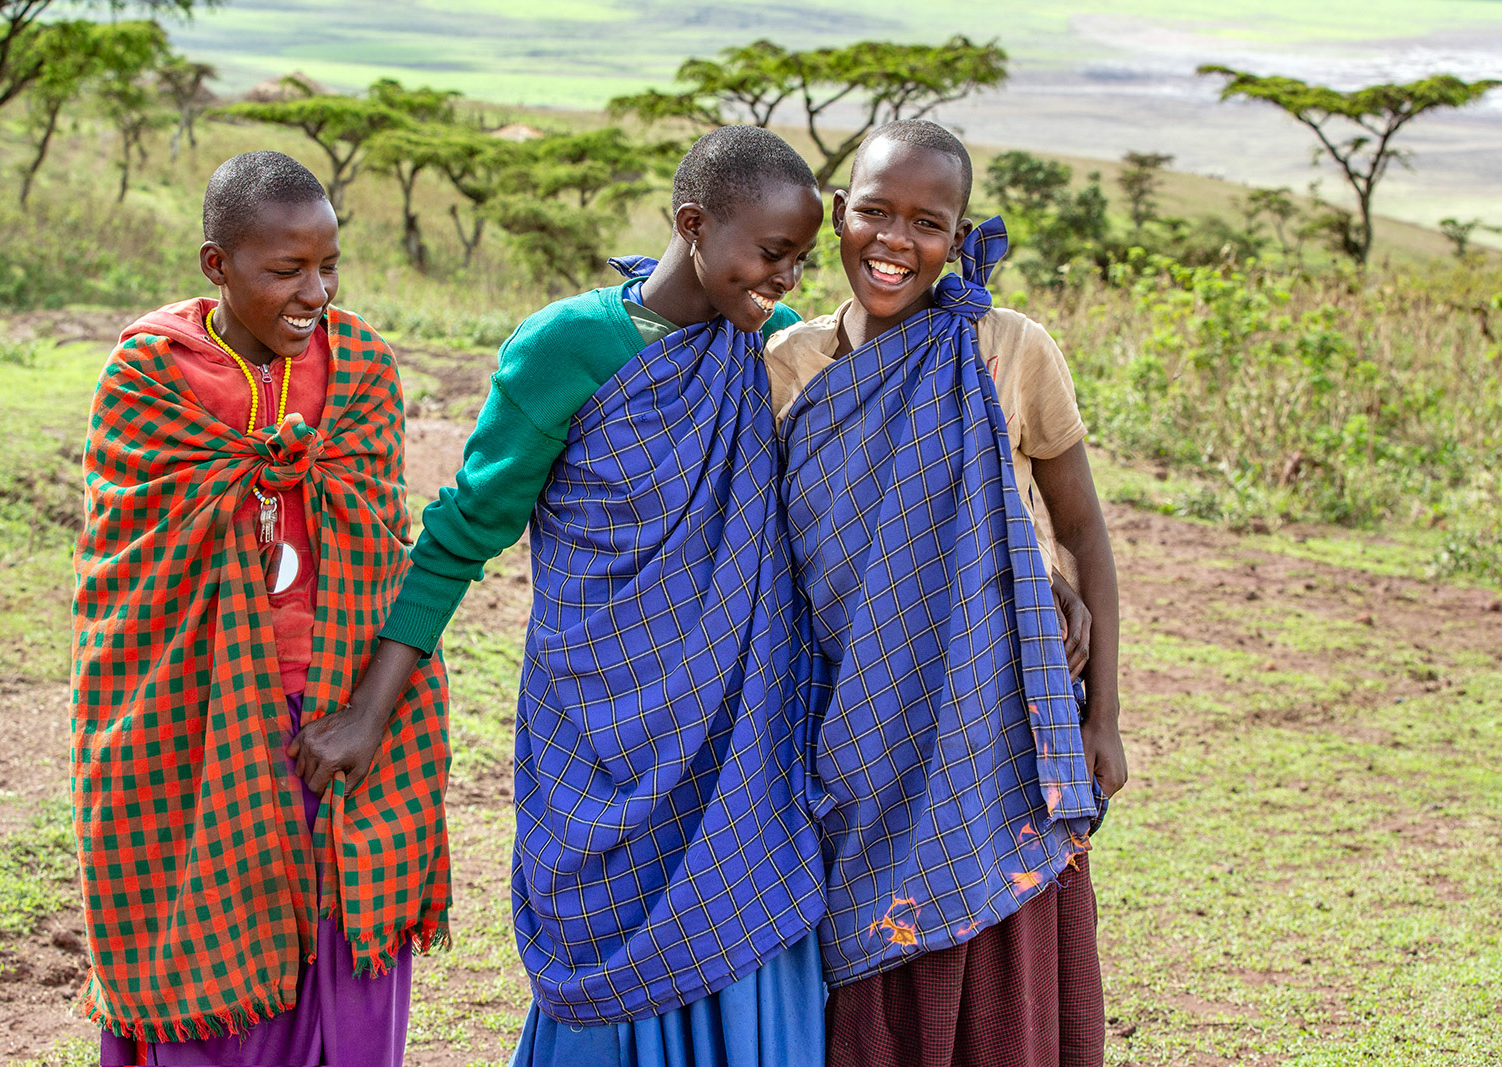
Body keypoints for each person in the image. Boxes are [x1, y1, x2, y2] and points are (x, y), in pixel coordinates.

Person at [343, 125, 829, 1066]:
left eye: (802, 262)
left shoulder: (778, 353)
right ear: (694, 224)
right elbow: (461, 530)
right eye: (773, 256)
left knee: (745, 944)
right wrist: (371, 711)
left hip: (740, 738)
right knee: (600, 963)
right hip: (599, 726)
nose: (788, 282)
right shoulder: (567, 346)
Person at [765, 119, 1128, 1067]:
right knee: (870, 940)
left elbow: (1081, 527)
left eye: (928, 222)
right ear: (838, 216)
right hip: (851, 712)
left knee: (1004, 939)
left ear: (961, 238)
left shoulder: (1007, 348)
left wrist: (1107, 721)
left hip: (995, 705)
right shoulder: (788, 362)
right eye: (875, 212)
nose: (895, 242)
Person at [75, 151, 450, 1066]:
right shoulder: (150, 379)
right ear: (218, 266)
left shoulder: (358, 367)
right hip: (195, 715)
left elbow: (380, 538)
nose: (314, 291)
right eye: (286, 270)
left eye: (328, 266)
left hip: (350, 701)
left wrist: (362, 712)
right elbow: (128, 577)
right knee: (214, 928)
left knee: (352, 912)